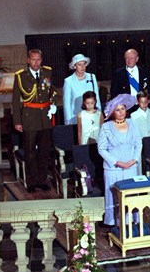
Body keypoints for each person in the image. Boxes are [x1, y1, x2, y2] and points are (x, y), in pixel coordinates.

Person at [12, 48, 58, 193]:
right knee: (30, 152)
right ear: (28, 60)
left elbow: (51, 91)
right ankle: (31, 182)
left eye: (38, 59)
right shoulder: (21, 76)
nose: (36, 62)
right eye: (33, 59)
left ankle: (42, 180)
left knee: (44, 151)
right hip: (29, 119)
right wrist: (17, 121)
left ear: (41, 60)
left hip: (45, 118)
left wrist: (53, 105)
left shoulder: (47, 72)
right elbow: (15, 101)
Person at [97, 94, 142, 226]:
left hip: (131, 168)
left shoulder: (132, 123)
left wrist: (133, 160)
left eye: (123, 109)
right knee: (115, 197)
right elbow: (101, 149)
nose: (121, 112)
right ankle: (116, 225)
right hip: (113, 169)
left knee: (131, 196)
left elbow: (139, 144)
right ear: (112, 112)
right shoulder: (106, 127)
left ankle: (132, 222)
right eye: (117, 110)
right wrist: (117, 162)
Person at [62, 54, 100, 125]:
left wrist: (99, 114)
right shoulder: (68, 81)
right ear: (74, 66)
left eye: (84, 64)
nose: (82, 67)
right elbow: (67, 103)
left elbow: (96, 96)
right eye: (79, 64)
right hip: (76, 117)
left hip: (92, 116)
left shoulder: (92, 77)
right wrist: (68, 121)